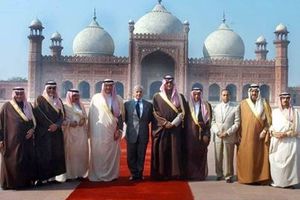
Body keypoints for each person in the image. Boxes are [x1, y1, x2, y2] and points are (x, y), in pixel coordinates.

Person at [151, 75, 187, 180]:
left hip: (175, 129)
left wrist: (174, 123)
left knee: (175, 151)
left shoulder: (180, 97)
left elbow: (183, 112)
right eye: (167, 83)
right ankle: (163, 174)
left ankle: (175, 173)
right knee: (163, 150)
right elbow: (155, 112)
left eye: (171, 83)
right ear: (164, 84)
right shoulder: (157, 96)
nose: (169, 85)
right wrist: (166, 123)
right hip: (163, 129)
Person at [88, 79, 124, 181]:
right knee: (99, 152)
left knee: (112, 153)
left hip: (113, 131)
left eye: (110, 86)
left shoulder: (118, 99)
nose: (108, 88)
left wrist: (119, 130)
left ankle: (111, 175)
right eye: (106, 86)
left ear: (113, 87)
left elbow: (121, 117)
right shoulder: (96, 98)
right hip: (98, 132)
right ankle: (98, 174)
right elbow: (92, 115)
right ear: (103, 86)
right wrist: (90, 131)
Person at [0, 87, 36, 189]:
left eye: (21, 94)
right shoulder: (7, 106)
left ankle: (24, 183)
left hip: (26, 140)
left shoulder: (28, 106)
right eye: (17, 94)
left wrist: (33, 130)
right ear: (13, 94)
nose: (19, 96)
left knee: (24, 161)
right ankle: (10, 184)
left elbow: (34, 121)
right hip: (11, 140)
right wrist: (0, 139)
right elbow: (0, 124)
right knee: (13, 161)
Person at [236, 83, 272, 184]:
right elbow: (238, 121)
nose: (254, 93)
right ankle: (247, 178)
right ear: (249, 92)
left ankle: (259, 178)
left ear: (259, 92)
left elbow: (269, 121)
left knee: (259, 158)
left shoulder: (264, 103)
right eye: (252, 91)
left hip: (260, 137)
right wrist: (238, 135)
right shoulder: (243, 104)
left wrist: (264, 131)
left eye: (256, 91)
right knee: (247, 156)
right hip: (246, 136)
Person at [33, 81, 66, 185]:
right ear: (46, 88)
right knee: (44, 155)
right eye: (49, 88)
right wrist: (50, 125)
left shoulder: (58, 100)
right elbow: (39, 114)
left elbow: (62, 115)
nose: (51, 90)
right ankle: (42, 179)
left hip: (56, 132)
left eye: (53, 88)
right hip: (44, 132)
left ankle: (52, 178)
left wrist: (57, 125)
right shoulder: (39, 99)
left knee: (55, 154)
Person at [269, 92, 300, 188]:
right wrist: (273, 133)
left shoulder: (295, 113)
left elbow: (297, 129)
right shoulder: (275, 112)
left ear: (290, 99)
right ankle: (278, 182)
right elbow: (271, 126)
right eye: (283, 98)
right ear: (280, 100)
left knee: (290, 163)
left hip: (290, 142)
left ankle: (289, 183)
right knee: (276, 160)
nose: (285, 100)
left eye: (287, 98)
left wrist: (286, 134)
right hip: (278, 142)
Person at [124, 85, 154, 181]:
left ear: (143, 93)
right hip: (131, 133)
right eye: (137, 92)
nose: (138, 94)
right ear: (133, 93)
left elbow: (149, 119)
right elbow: (126, 119)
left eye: (140, 92)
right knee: (131, 156)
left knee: (141, 155)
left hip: (143, 133)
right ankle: (133, 173)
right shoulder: (127, 104)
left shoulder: (148, 105)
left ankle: (140, 174)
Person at [211, 89, 240, 183]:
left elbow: (237, 123)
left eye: (227, 95)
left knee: (229, 157)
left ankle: (229, 175)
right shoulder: (216, 108)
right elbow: (213, 122)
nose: (225, 97)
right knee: (218, 157)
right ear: (221, 96)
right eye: (223, 95)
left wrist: (227, 132)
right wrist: (217, 132)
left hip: (229, 136)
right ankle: (219, 174)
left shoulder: (235, 107)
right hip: (218, 136)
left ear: (230, 96)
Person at [184, 87, 212, 180]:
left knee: (201, 154)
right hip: (190, 135)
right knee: (190, 155)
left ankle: (200, 175)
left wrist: (207, 135)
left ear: (201, 95)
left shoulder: (206, 106)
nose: (196, 96)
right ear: (192, 94)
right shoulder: (187, 106)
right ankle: (191, 175)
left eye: (198, 94)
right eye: (195, 94)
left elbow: (209, 122)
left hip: (202, 134)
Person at [61, 89, 88, 181]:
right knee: (70, 154)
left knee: (80, 153)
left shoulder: (81, 106)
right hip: (70, 133)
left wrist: (83, 120)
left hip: (80, 133)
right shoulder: (64, 107)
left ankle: (80, 173)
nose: (76, 98)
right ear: (69, 96)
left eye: (77, 96)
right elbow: (62, 120)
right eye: (74, 96)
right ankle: (69, 175)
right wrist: (69, 123)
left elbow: (85, 116)